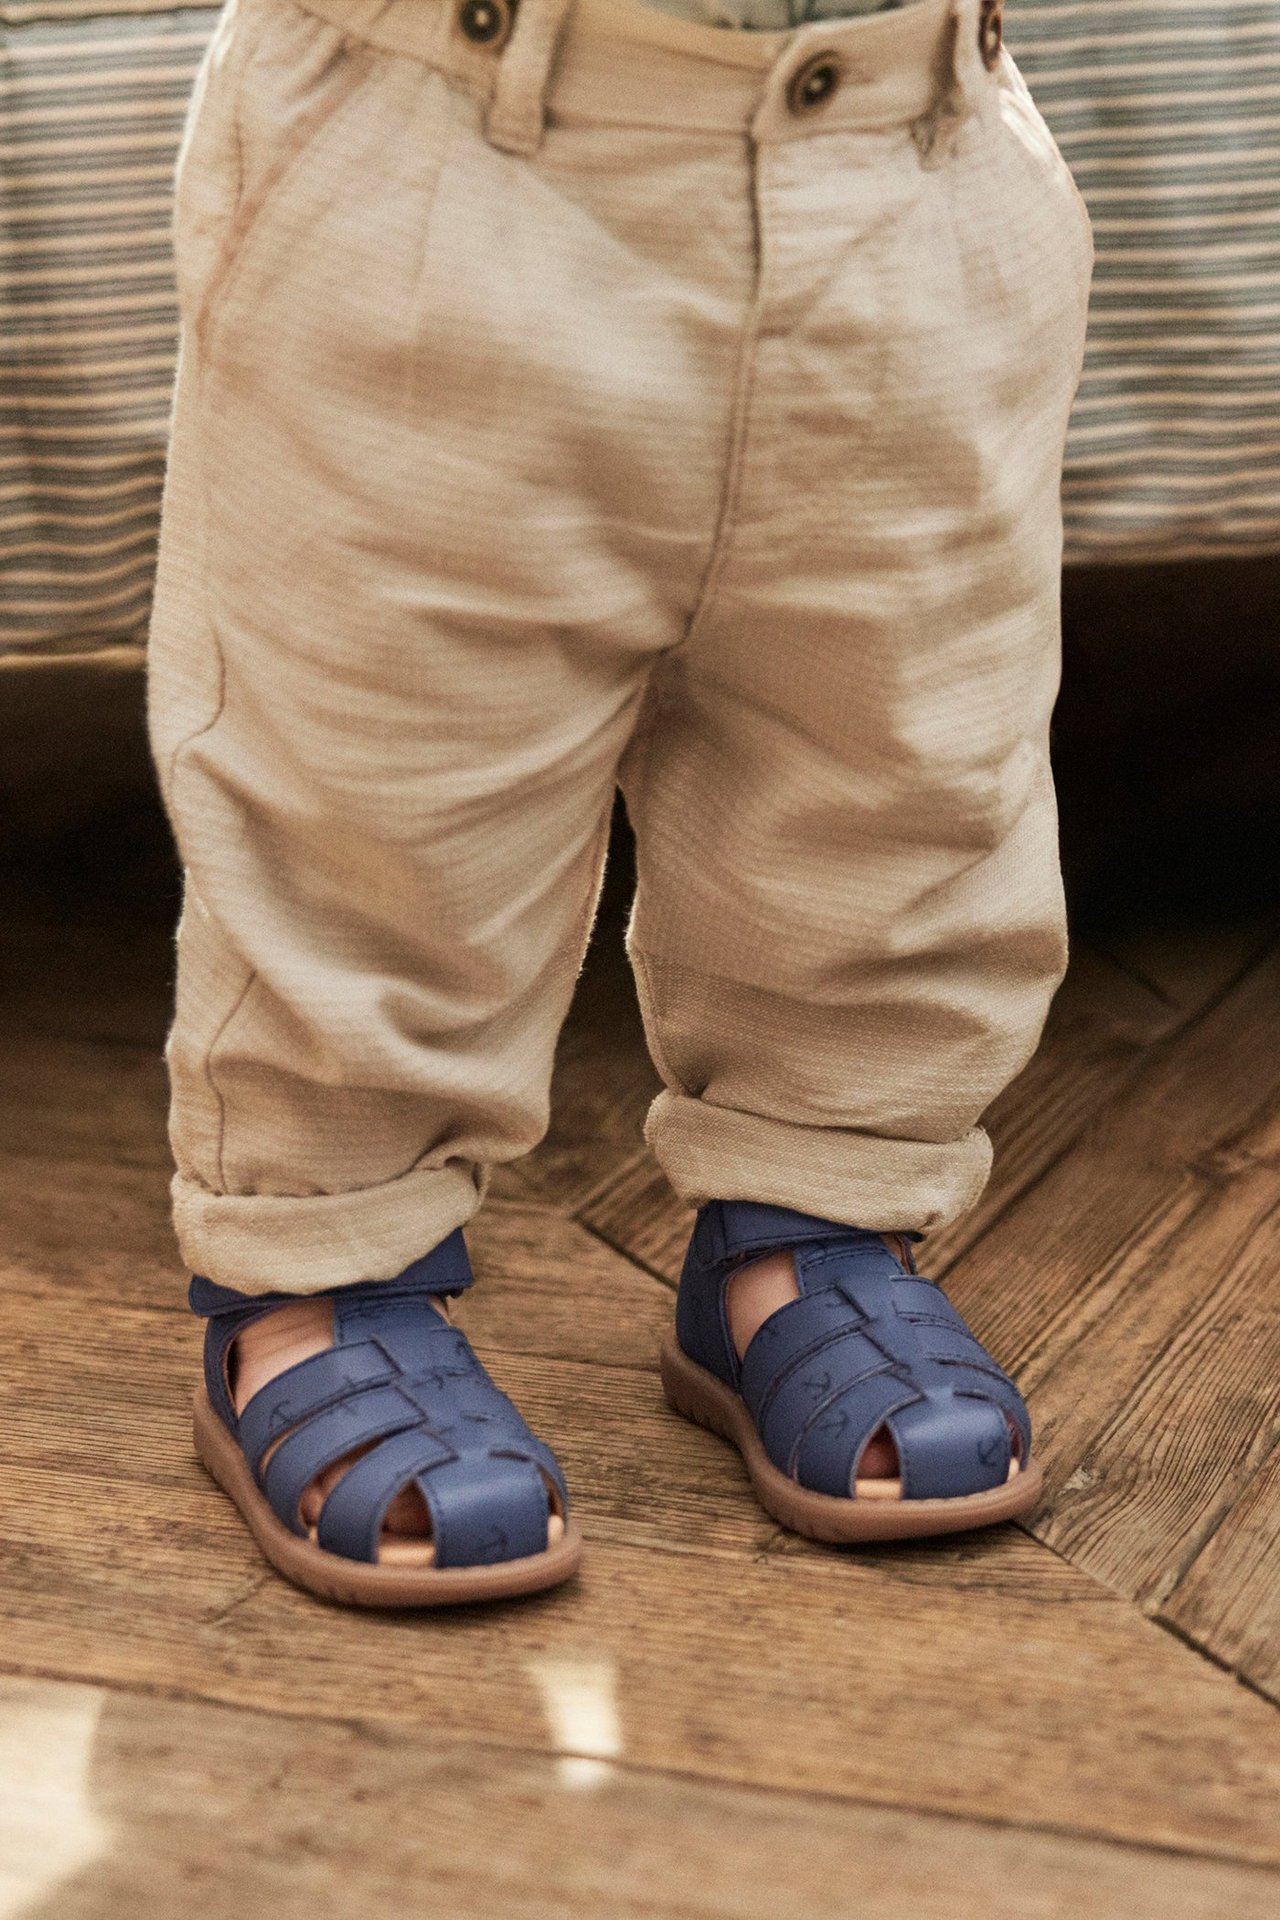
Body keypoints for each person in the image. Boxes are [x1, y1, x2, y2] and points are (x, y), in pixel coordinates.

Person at [147, 0, 1093, 1604]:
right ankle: (324, 1260)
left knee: (894, 747)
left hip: (918, 137)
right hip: (447, 129)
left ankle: (810, 1215)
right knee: (377, 774)